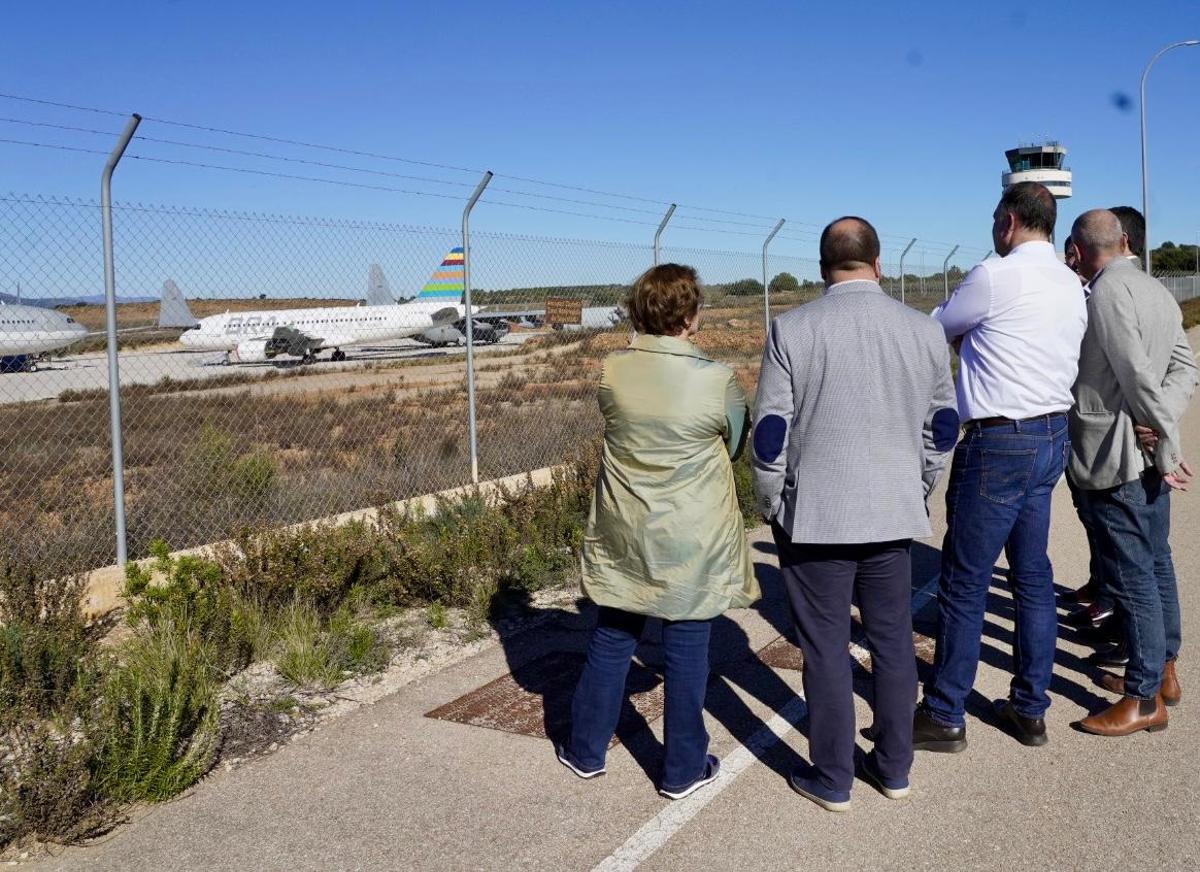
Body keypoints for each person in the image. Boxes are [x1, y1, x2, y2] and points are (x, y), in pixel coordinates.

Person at [751, 216, 958, 812]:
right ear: (879, 263)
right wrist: (919, 484)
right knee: (893, 641)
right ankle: (894, 769)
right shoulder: (923, 331)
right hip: (892, 514)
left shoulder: (792, 329)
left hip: (815, 517)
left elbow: (770, 433)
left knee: (825, 649)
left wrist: (771, 502)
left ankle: (833, 778)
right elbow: (942, 427)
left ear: (822, 267)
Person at [558, 262, 760, 799]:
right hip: (691, 535)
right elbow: (736, 442)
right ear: (691, 316)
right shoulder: (716, 380)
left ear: (637, 311)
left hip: (625, 524)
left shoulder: (613, 372)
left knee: (612, 634)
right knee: (687, 647)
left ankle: (585, 750)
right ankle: (682, 768)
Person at [915, 182, 1088, 751]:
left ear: (1010, 221)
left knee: (964, 583)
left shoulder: (994, 274)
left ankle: (944, 714)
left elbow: (935, 328)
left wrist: (967, 337)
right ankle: (1030, 706)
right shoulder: (1071, 282)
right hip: (1050, 434)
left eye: (995, 218)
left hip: (998, 440)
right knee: (1031, 574)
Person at [1066, 209, 1197, 736]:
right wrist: (1161, 418)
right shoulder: (1156, 290)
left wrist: (1161, 433)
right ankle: (1164, 672)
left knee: (1133, 573)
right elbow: (1185, 367)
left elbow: (1135, 374)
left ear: (1079, 247)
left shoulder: (1109, 294)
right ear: (1123, 241)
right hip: (1136, 447)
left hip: (1118, 454)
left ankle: (1144, 700)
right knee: (1155, 561)